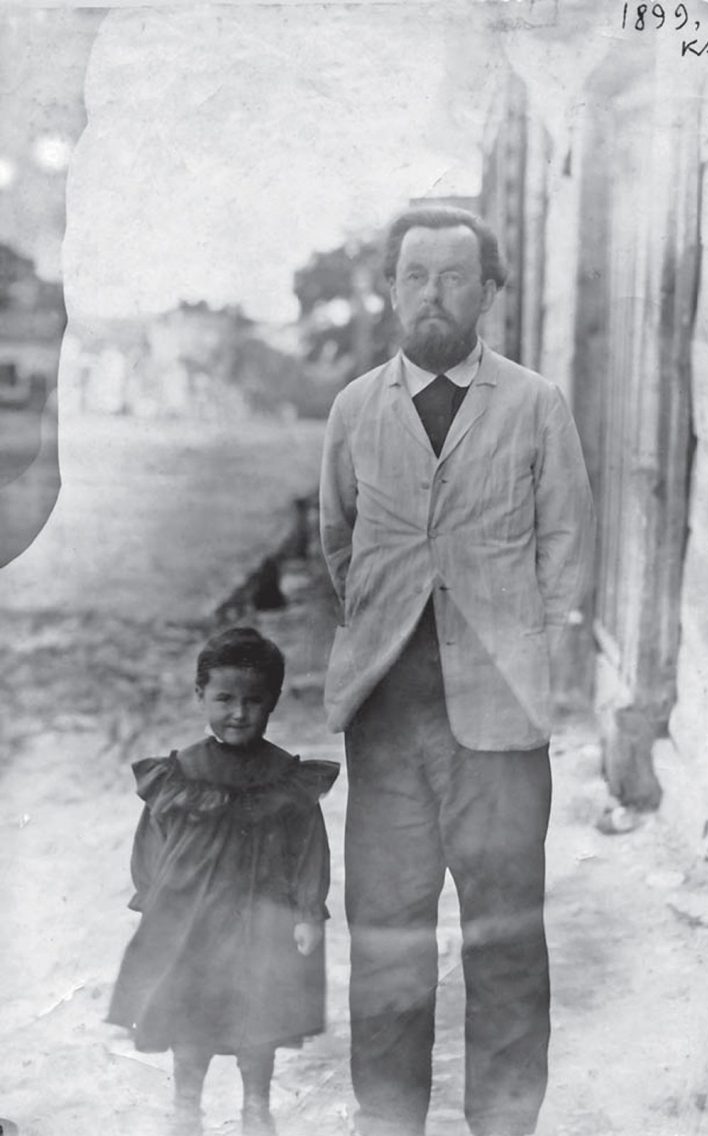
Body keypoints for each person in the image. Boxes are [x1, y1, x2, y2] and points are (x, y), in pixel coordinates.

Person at [319, 206, 595, 1136]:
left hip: (500, 714)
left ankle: (505, 1121)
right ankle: (388, 1116)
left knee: (504, 929)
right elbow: (339, 542)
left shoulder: (535, 404)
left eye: (453, 277)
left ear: (489, 290)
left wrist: (518, 640)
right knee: (388, 927)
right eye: (415, 276)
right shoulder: (357, 408)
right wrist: (391, 622)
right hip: (388, 712)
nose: (432, 295)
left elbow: (566, 547)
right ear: (391, 289)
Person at [106, 627, 339, 1136]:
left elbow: (309, 847)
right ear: (200, 696)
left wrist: (306, 912)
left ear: (273, 701)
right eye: (224, 699)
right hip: (195, 918)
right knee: (191, 1014)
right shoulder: (181, 772)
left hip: (264, 917)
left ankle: (256, 1108)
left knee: (261, 1015)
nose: (238, 713)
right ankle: (186, 1108)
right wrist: (155, 902)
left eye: (253, 701)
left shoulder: (285, 775)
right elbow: (154, 840)